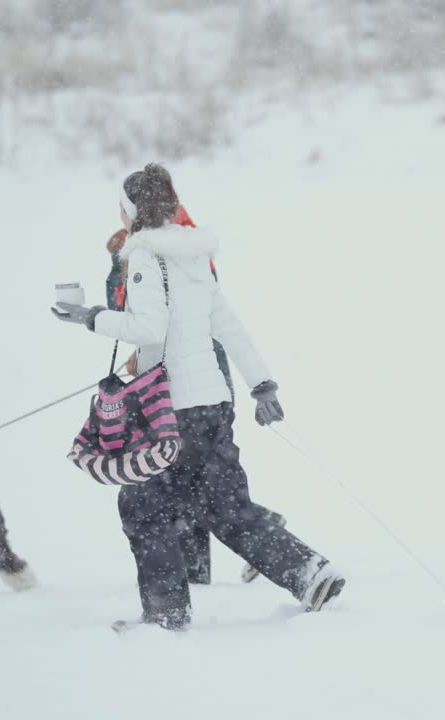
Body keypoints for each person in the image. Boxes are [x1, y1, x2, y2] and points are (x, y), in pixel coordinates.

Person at [54, 163, 344, 629]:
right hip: (213, 403)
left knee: (144, 509)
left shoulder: (145, 258)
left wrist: (91, 316)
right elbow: (228, 325)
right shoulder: (194, 255)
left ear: (131, 210)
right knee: (226, 508)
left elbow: (148, 328)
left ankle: (167, 613)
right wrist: (261, 384)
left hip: (169, 410)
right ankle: (309, 573)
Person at [103, 212, 286, 586]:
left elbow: (161, 320)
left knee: (182, 488)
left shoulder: (165, 252)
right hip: (196, 384)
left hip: (188, 387)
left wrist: (111, 278)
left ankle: (253, 537)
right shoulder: (172, 246)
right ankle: (204, 571)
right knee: (192, 487)